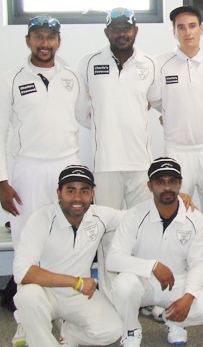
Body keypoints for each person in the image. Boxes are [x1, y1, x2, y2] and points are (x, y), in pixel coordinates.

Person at [0, 15, 89, 347]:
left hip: (67, 166)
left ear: (58, 41)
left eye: (51, 37)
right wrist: (1, 181)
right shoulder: (11, 78)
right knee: (26, 242)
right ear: (28, 40)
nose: (45, 43)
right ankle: (25, 319)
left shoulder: (71, 77)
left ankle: (64, 315)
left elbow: (85, 117)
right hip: (28, 169)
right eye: (38, 36)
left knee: (66, 241)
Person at [106, 157, 203, 347]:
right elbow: (112, 259)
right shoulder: (135, 215)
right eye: (160, 182)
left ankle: (173, 320)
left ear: (180, 183)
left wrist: (188, 296)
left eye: (172, 181)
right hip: (144, 282)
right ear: (150, 185)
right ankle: (131, 334)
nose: (167, 187)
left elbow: (198, 263)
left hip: (178, 282)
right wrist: (152, 266)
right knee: (123, 284)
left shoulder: (195, 218)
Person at [12, 165, 123, 347]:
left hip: (77, 295)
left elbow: (138, 215)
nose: (77, 197)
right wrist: (76, 281)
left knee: (112, 331)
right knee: (26, 296)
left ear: (93, 193)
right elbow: (23, 272)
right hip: (46, 293)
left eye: (84, 190)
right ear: (59, 193)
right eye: (70, 190)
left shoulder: (100, 215)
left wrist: (179, 199)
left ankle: (68, 334)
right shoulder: (42, 218)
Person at [77, 7, 159, 210]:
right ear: (107, 32)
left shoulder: (150, 64)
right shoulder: (88, 63)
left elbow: (156, 101)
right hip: (105, 164)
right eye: (115, 28)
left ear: (136, 31)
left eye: (126, 28)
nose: (122, 33)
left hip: (140, 163)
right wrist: (103, 121)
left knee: (141, 225)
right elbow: (80, 112)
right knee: (106, 226)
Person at [156, 5, 203, 223]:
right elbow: (155, 99)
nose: (188, 32)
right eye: (181, 27)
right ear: (174, 31)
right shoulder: (160, 64)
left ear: (201, 29)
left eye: (192, 26)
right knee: (179, 213)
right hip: (177, 151)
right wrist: (170, 113)